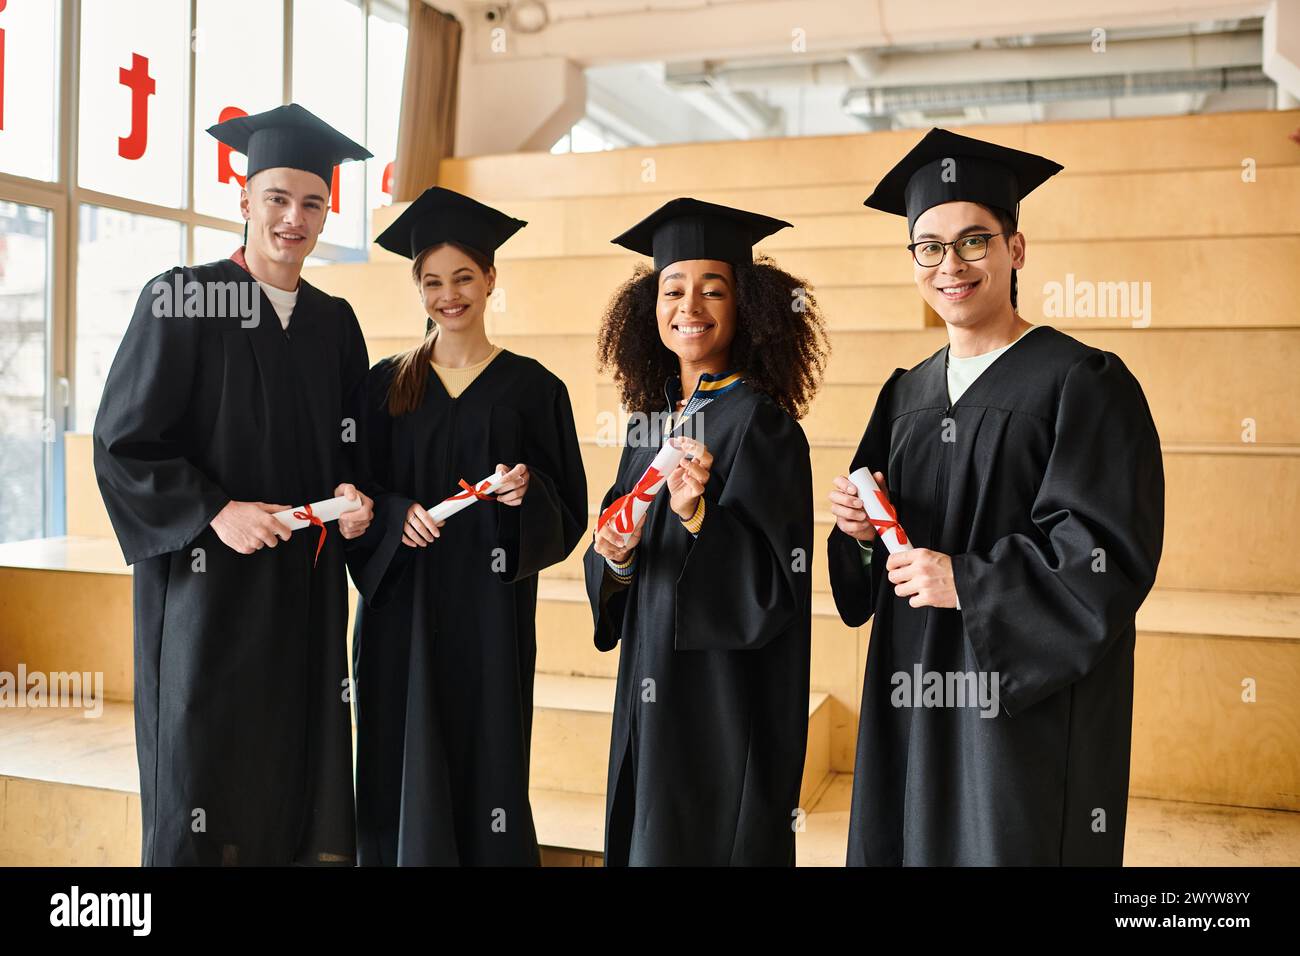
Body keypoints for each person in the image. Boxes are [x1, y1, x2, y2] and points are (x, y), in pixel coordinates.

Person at [827, 128, 1165, 865]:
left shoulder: (1083, 382)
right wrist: (856, 532)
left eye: (974, 240)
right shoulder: (904, 393)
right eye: (929, 246)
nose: (951, 264)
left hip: (1017, 703)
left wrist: (969, 583)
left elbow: (1106, 556)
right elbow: (872, 570)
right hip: (912, 685)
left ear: (1016, 249)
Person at [93, 103, 375, 865]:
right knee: (203, 775)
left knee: (294, 777)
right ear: (243, 199)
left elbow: (354, 444)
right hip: (206, 596)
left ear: (327, 213)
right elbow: (123, 443)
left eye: (312, 203)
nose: (294, 217)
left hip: (303, 596)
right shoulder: (183, 296)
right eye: (277, 197)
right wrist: (215, 509)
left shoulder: (334, 324)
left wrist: (355, 502)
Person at [345, 186, 588, 865]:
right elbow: (356, 495)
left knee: (487, 751)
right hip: (404, 609)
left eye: (463, 278)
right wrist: (396, 516)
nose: (448, 295)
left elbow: (568, 507)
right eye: (432, 282)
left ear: (490, 280)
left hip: (490, 612)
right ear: (417, 288)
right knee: (401, 746)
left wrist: (525, 495)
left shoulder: (535, 389)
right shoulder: (383, 386)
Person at [585, 197, 829, 865]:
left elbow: (778, 588)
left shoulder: (763, 425)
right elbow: (615, 549)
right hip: (649, 686)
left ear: (745, 305)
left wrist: (699, 517)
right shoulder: (650, 421)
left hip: (721, 703)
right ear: (650, 308)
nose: (689, 306)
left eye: (712, 289)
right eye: (673, 289)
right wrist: (615, 555)